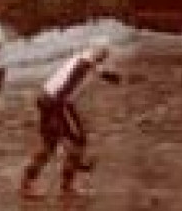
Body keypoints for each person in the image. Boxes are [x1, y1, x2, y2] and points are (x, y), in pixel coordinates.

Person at [19, 36, 121, 198]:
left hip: (46, 97)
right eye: (104, 53)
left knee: (49, 146)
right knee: (77, 141)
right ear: (99, 52)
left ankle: (27, 184)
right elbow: (64, 90)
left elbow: (96, 69)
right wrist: (62, 128)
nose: (106, 57)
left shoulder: (84, 58)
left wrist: (109, 76)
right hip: (57, 102)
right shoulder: (83, 65)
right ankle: (67, 185)